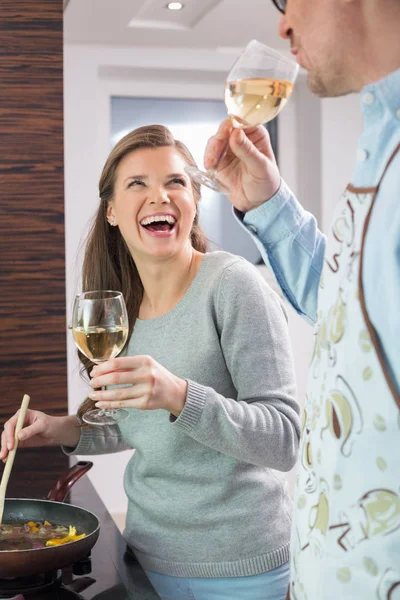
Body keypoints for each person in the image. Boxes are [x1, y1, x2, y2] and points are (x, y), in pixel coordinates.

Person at [0, 125, 300, 600]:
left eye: (175, 182)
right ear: (113, 212)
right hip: (143, 554)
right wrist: (59, 428)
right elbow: (131, 427)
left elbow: (284, 439)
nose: (159, 195)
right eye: (137, 183)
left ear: (195, 201)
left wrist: (179, 395)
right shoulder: (119, 312)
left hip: (235, 567)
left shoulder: (233, 285)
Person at [202, 1, 400, 599]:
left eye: (292, 1)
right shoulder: (382, 145)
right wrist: (266, 202)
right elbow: (346, 312)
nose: (283, 26)